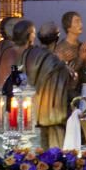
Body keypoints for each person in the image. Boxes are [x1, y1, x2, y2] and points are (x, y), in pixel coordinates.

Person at [13, 20, 76, 149]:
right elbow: (71, 82)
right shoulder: (56, 63)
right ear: (57, 38)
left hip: (30, 119)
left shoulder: (26, 55)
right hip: (52, 120)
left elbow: (19, 79)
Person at [55, 11, 86, 84]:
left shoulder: (82, 47)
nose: (81, 24)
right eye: (77, 21)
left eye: (80, 21)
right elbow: (63, 76)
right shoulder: (61, 49)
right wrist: (80, 59)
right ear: (68, 27)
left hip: (83, 89)